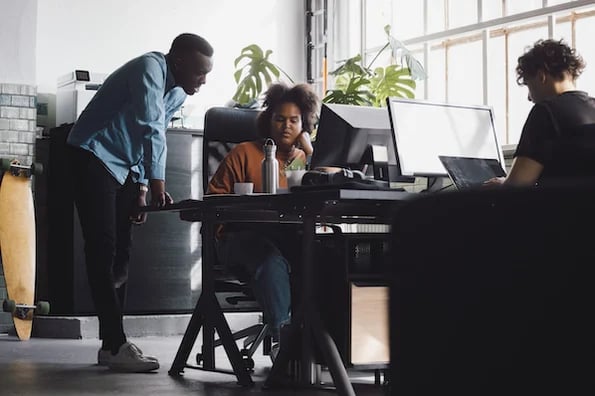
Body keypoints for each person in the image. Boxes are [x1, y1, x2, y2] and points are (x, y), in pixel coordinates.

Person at [67, 33, 214, 372]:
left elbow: (152, 131)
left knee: (123, 252)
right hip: (91, 153)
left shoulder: (176, 91)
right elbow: (150, 127)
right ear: (178, 61)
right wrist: (159, 180)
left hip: (123, 166)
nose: (204, 80)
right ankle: (116, 344)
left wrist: (144, 187)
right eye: (199, 72)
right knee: (102, 247)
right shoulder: (149, 68)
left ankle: (110, 346)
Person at [206, 82, 320, 360]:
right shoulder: (244, 152)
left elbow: (319, 191)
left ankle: (322, 344)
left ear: (303, 125)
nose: (285, 126)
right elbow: (212, 202)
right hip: (236, 239)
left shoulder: (303, 160)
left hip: (288, 239)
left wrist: (311, 153)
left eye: (294, 121)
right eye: (279, 119)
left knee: (325, 257)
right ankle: (283, 343)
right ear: (268, 120)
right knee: (270, 260)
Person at [485, 38, 595, 187]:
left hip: (563, 208)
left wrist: (500, 185)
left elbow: (517, 186)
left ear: (541, 76)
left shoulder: (546, 111)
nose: (529, 97)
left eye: (529, 86)